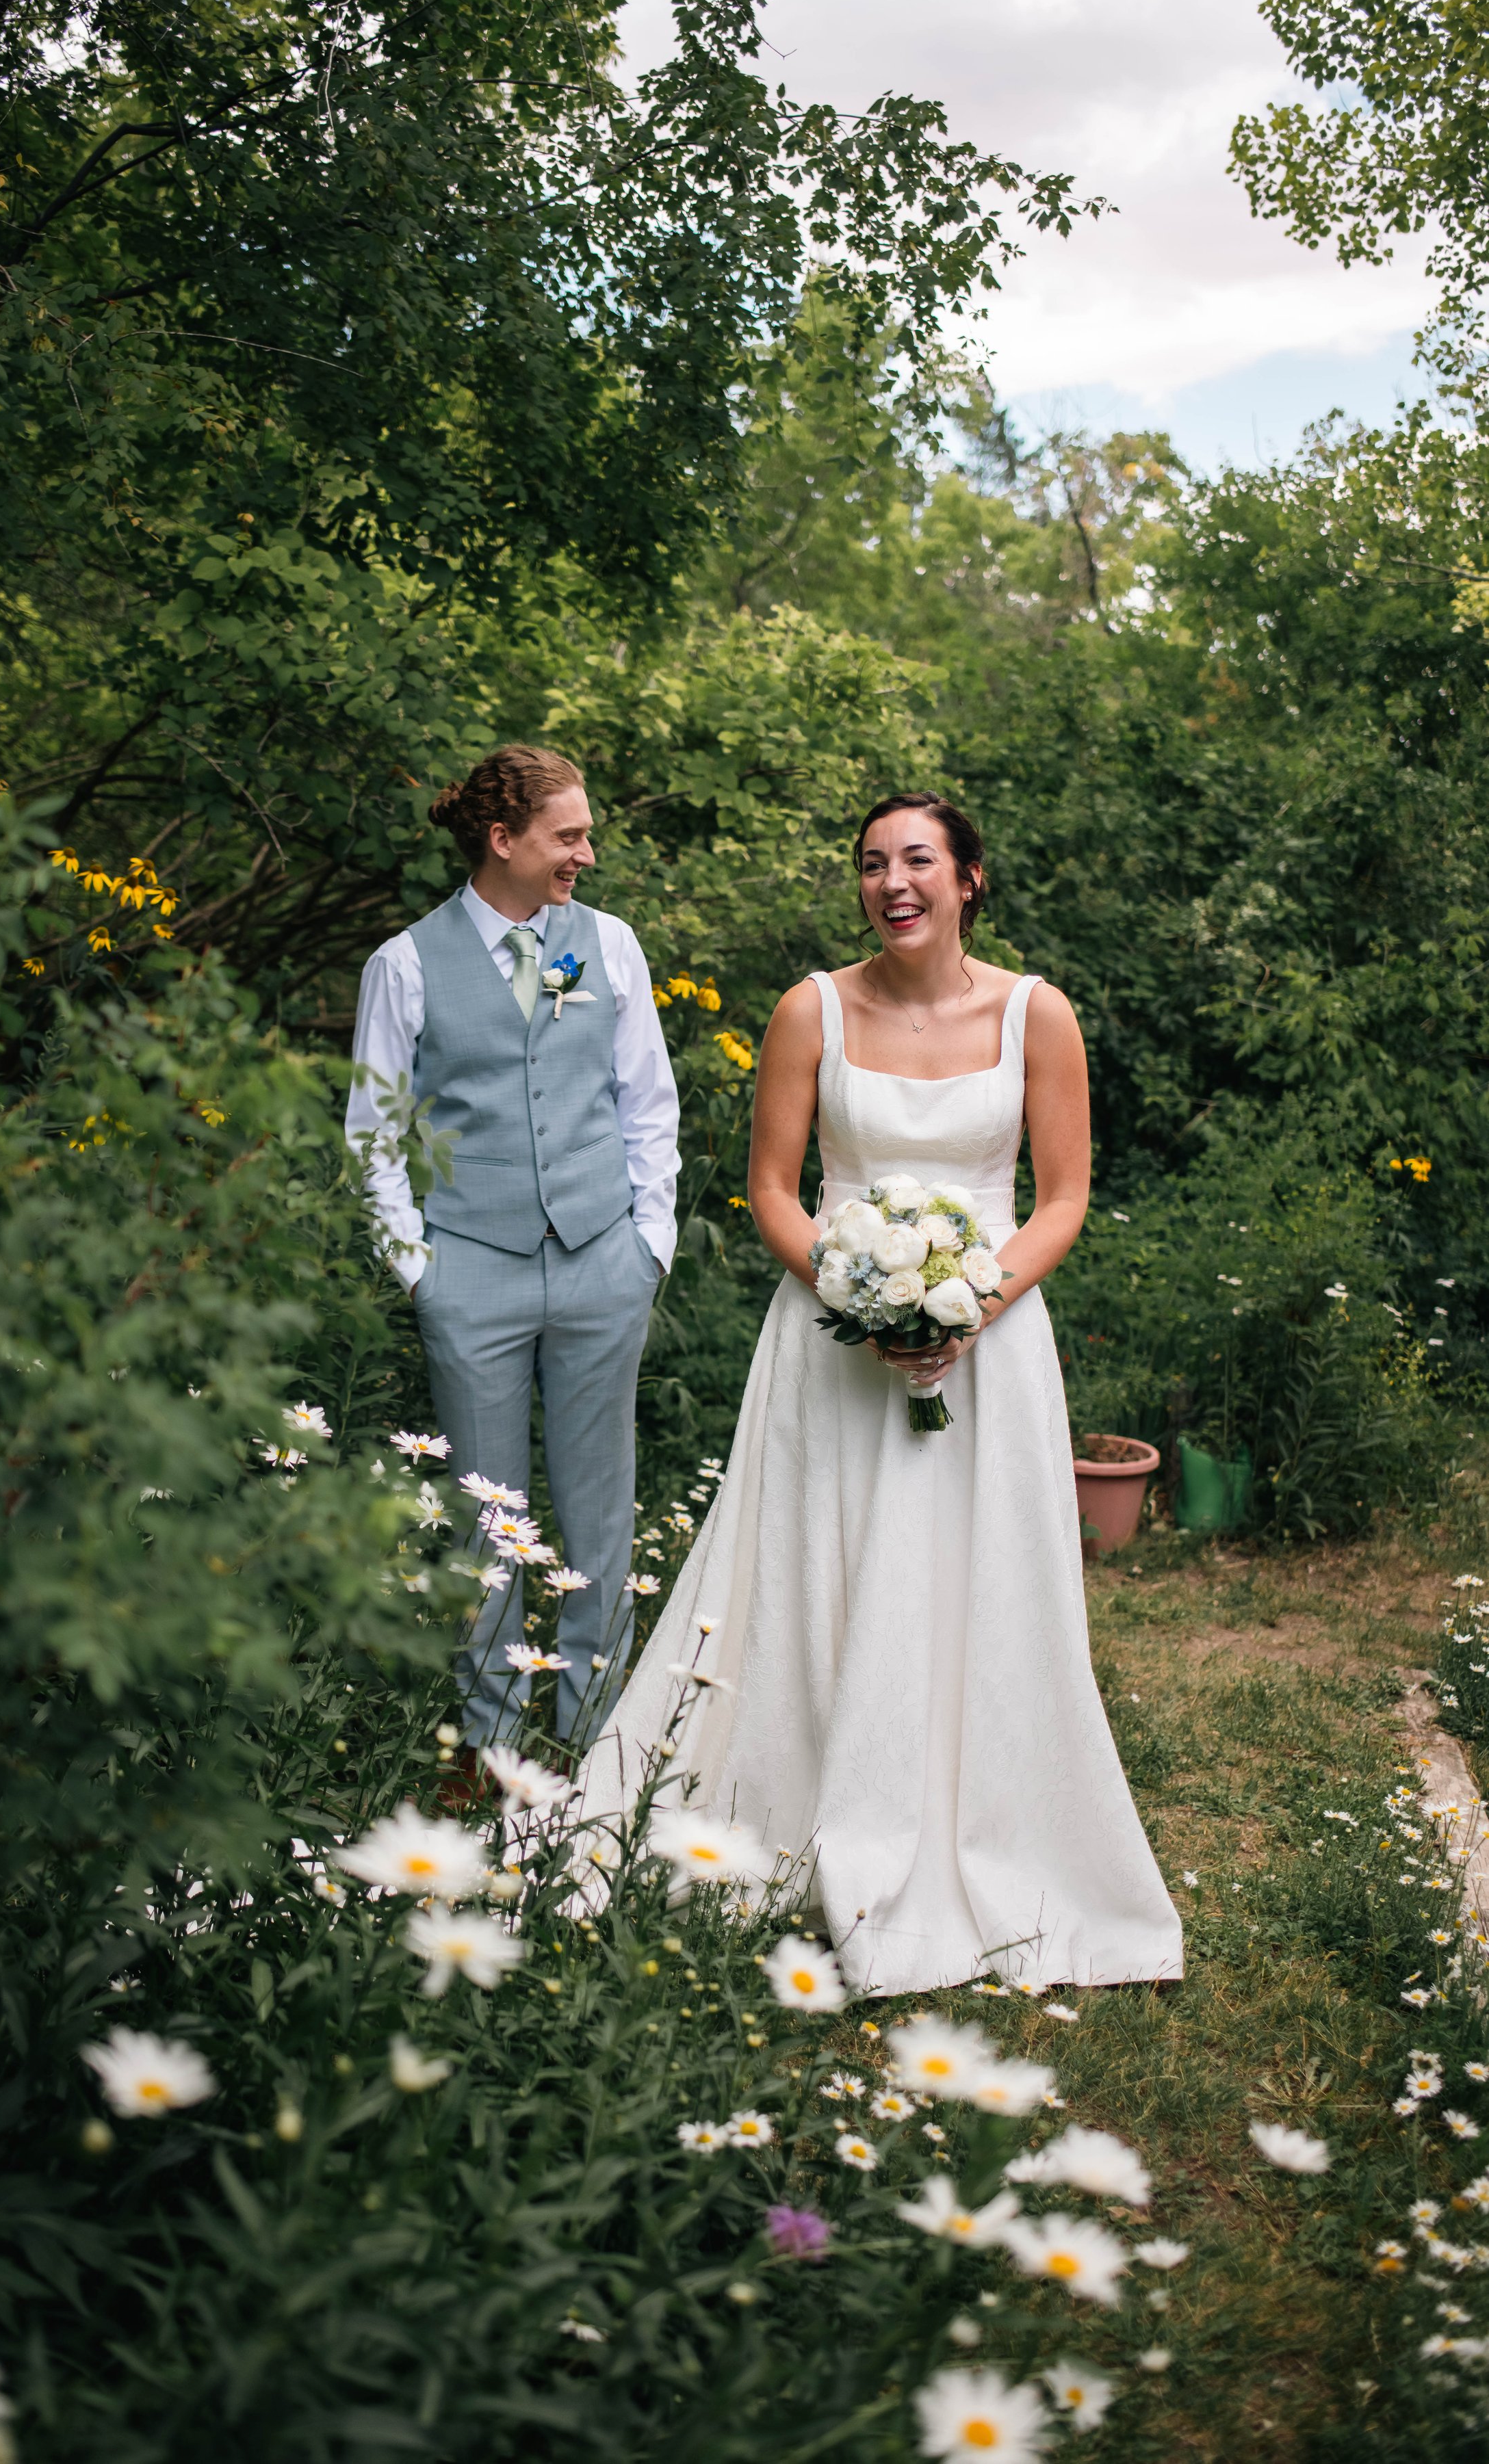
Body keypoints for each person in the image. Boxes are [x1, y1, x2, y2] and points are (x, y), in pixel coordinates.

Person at [577, 791, 1182, 1995]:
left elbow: (1061, 1195)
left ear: (969, 879)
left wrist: (971, 1303)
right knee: (820, 1574)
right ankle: (804, 1806)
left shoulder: (1034, 1014)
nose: (890, 881)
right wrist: (865, 1301)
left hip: (994, 1348)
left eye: (916, 860)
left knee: (982, 1583)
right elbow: (773, 1190)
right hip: (828, 1346)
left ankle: (988, 1825)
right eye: (870, 863)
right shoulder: (812, 1007)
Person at [346, 745, 680, 1751]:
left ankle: (588, 1748)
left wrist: (646, 1246)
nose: (587, 851)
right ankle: (490, 1751)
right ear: (504, 840)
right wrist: (423, 1274)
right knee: (485, 1526)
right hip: (471, 1274)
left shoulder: (608, 944)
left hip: (599, 1261)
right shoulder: (405, 964)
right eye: (569, 834)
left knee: (599, 1520)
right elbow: (374, 1134)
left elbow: (646, 1103)